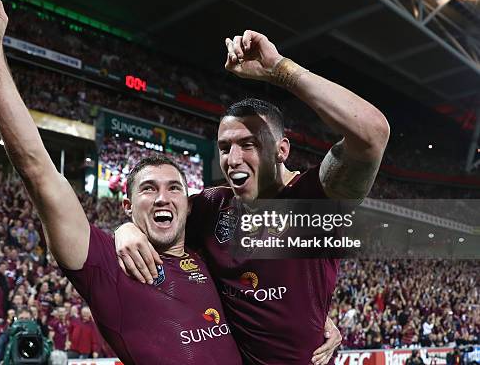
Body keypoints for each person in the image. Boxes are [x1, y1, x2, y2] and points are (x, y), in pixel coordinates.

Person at [0, 0, 242, 364]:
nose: (162, 196)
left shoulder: (211, 255)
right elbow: (36, 168)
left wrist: (318, 315)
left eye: (174, 188)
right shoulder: (105, 264)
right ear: (126, 205)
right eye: (149, 189)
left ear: (188, 205)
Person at [116, 31, 389, 364]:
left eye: (249, 144)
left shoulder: (315, 199)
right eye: (224, 147)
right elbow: (156, 212)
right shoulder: (211, 206)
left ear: (282, 150)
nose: (233, 159)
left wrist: (279, 69)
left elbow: (372, 134)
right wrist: (125, 229)